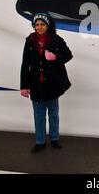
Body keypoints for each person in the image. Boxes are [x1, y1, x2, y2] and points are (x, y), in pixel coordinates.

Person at [20, 12, 73, 153]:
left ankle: (54, 139)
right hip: (36, 85)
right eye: (36, 24)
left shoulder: (56, 39)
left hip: (52, 84)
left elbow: (68, 55)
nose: (39, 27)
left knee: (53, 113)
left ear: (48, 25)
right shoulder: (29, 40)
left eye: (42, 24)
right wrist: (24, 86)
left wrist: (55, 57)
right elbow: (25, 64)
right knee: (39, 114)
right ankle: (40, 141)